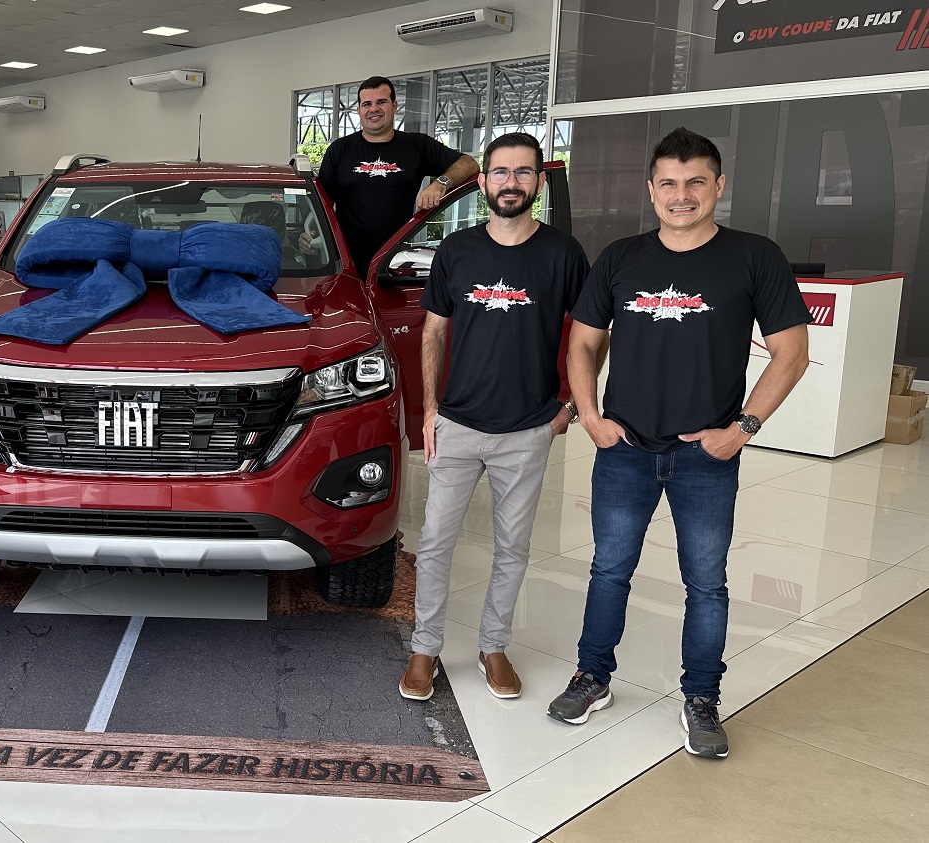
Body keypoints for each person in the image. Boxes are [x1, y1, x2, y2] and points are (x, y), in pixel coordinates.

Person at [548, 128, 810, 759]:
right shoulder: (620, 258)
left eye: (695, 181)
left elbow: (792, 352)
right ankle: (592, 677)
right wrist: (589, 416)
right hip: (624, 450)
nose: (681, 194)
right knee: (609, 570)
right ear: (651, 190)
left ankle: (701, 699)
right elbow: (582, 342)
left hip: (705, 458)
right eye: (668, 182)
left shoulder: (754, 257)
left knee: (707, 584)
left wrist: (741, 430)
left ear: (719, 185)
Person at [400, 132, 589, 703]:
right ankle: (425, 649)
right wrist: (430, 409)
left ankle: (493, 646)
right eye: (501, 172)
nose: (511, 182)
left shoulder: (563, 254)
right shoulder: (456, 250)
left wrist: (571, 406)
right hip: (457, 424)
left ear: (538, 182)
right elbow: (433, 331)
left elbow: (589, 335)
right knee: (436, 542)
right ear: (482, 182)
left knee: (513, 547)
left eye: (523, 172)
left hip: (528, 428)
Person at [315, 76, 479, 277]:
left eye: (381, 102)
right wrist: (311, 235)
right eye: (367, 104)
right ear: (358, 110)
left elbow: (469, 164)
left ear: (394, 106)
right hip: (345, 263)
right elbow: (322, 204)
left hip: (394, 263)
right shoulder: (339, 150)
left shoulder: (417, 146)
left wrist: (440, 183)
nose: (374, 109)